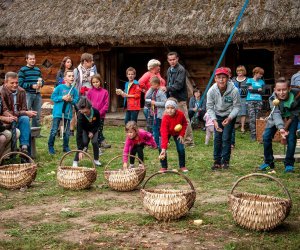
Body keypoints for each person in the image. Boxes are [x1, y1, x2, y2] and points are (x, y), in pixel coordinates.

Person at [259, 78, 299, 173]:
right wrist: (281, 128)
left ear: (289, 89)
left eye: (284, 89)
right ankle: (269, 162)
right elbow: (276, 114)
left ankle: (289, 164)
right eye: (279, 90)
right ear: (275, 90)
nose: (281, 92)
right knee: (266, 136)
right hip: (275, 119)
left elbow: (297, 111)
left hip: (291, 118)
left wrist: (287, 125)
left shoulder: (297, 95)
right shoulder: (273, 99)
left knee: (291, 139)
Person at [206, 67, 241, 170]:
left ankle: (225, 161)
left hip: (229, 115)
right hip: (217, 115)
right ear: (215, 79)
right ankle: (217, 161)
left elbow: (237, 106)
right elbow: (209, 107)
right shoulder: (211, 91)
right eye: (219, 77)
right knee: (217, 138)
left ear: (228, 78)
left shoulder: (234, 90)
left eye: (223, 77)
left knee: (226, 138)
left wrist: (230, 118)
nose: (221, 80)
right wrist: (214, 121)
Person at [161, 52, 194, 146]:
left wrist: (167, 88)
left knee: (185, 120)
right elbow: (169, 82)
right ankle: (165, 140)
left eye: (174, 59)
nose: (172, 61)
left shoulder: (181, 69)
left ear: (177, 59)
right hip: (171, 97)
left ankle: (189, 141)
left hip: (180, 98)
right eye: (170, 60)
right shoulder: (169, 69)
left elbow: (179, 85)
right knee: (165, 117)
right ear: (168, 60)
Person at [1, 72, 37, 155]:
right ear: (5, 82)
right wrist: (24, 113)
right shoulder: (1, 92)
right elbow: (4, 111)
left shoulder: (22, 91)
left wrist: (25, 113)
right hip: (5, 121)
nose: (15, 85)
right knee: (25, 118)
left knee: (25, 119)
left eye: (16, 82)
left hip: (18, 118)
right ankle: (23, 153)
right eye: (12, 83)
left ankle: (24, 148)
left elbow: (24, 109)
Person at [48, 70, 79, 154]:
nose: (71, 77)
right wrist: (62, 97)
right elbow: (53, 97)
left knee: (66, 131)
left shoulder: (74, 90)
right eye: (69, 76)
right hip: (58, 112)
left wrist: (71, 99)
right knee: (54, 130)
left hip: (67, 113)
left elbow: (76, 100)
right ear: (65, 78)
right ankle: (50, 146)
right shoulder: (59, 87)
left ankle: (65, 147)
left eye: (72, 76)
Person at [159, 98, 188, 173]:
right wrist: (164, 148)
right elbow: (164, 133)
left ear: (175, 108)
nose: (170, 110)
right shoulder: (165, 118)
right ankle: (164, 166)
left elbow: (185, 123)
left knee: (181, 148)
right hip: (167, 132)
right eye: (168, 108)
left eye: (172, 108)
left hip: (177, 132)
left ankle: (182, 166)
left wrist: (181, 134)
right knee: (161, 147)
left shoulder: (180, 114)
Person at [73, 97, 101, 167]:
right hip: (85, 130)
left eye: (85, 112)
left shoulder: (96, 112)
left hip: (94, 129)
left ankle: (96, 160)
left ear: (90, 108)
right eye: (81, 111)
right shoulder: (80, 115)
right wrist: (80, 150)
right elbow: (79, 133)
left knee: (94, 142)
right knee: (84, 142)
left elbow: (98, 124)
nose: (84, 113)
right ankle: (75, 161)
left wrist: (93, 132)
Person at [139, 59, 166, 131]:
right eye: (158, 66)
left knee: (159, 120)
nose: (159, 67)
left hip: (160, 99)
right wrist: (146, 89)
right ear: (152, 67)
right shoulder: (147, 74)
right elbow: (139, 83)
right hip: (152, 99)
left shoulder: (157, 74)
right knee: (151, 121)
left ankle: (158, 136)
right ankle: (151, 136)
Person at [18, 52, 44, 127]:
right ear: (26, 60)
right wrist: (31, 86)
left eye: (34, 59)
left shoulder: (37, 70)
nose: (33, 60)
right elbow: (20, 84)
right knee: (26, 113)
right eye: (30, 59)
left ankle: (35, 132)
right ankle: (26, 130)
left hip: (37, 94)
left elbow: (42, 80)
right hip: (27, 94)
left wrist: (41, 84)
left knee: (37, 114)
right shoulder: (23, 70)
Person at [87, 74, 111, 149]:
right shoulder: (90, 92)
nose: (95, 84)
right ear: (91, 83)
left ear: (100, 81)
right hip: (92, 115)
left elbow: (106, 104)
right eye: (93, 82)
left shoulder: (105, 92)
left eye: (97, 82)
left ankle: (99, 143)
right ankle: (99, 143)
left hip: (101, 115)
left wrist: (99, 113)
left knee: (99, 129)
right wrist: (90, 113)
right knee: (94, 129)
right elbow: (88, 103)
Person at [145, 76, 167, 154]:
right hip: (154, 113)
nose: (151, 86)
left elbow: (165, 103)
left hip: (159, 114)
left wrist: (155, 103)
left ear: (157, 84)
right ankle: (156, 144)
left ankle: (157, 144)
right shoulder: (154, 91)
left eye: (152, 85)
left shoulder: (161, 92)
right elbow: (147, 96)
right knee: (155, 129)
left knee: (157, 129)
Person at [246, 67, 265, 141]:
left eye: (262, 74)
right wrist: (258, 90)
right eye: (259, 74)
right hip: (250, 100)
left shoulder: (262, 82)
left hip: (259, 101)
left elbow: (263, 92)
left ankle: (258, 134)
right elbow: (250, 90)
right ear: (255, 73)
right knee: (252, 118)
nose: (261, 75)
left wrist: (255, 90)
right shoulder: (249, 80)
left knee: (257, 118)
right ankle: (253, 135)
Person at [232, 65, 248, 133]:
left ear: (244, 71)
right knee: (233, 112)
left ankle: (242, 127)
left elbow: (249, 90)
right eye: (238, 71)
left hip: (244, 98)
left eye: (241, 70)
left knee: (243, 112)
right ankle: (232, 126)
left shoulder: (247, 79)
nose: (239, 72)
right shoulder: (233, 79)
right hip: (234, 98)